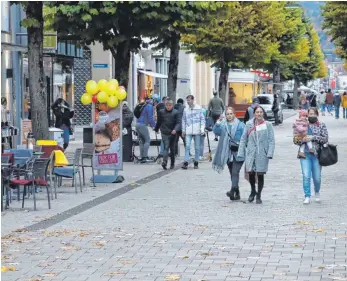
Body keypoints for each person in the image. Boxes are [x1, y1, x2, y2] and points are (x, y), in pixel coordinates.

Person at [237, 106, 275, 204]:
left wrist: (270, 152)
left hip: (262, 153)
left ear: (263, 113)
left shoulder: (268, 125)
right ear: (254, 113)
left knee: (260, 174)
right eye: (257, 112)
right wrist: (241, 152)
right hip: (251, 153)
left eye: (260, 112)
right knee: (251, 173)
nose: (259, 114)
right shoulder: (249, 124)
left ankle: (259, 194)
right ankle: (253, 190)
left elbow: (271, 140)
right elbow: (243, 139)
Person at [293, 107, 328, 204]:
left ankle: (317, 192)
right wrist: (302, 139)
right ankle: (307, 196)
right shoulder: (303, 124)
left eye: (313, 114)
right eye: (310, 114)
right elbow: (295, 140)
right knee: (306, 176)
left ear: (317, 114)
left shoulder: (321, 125)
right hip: (305, 155)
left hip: (317, 155)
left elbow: (325, 139)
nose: (311, 116)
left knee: (317, 177)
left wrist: (313, 137)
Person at [212, 107, 245, 201]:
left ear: (234, 114)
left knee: (235, 172)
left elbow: (245, 137)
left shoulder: (240, 125)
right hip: (227, 152)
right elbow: (216, 132)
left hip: (239, 152)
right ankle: (237, 193)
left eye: (231, 114)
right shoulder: (223, 125)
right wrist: (217, 123)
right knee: (232, 173)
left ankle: (232, 191)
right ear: (225, 115)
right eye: (227, 114)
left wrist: (240, 144)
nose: (229, 116)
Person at [155, 99, 181, 170]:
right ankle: (165, 162)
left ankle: (172, 163)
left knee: (172, 148)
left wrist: (175, 129)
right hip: (164, 132)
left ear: (172, 105)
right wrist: (156, 129)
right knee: (166, 147)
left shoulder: (176, 112)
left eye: (170, 105)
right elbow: (159, 122)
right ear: (165, 105)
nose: (168, 107)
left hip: (173, 132)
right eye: (167, 105)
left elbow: (179, 122)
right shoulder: (161, 112)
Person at [181, 95, 205, 170]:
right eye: (187, 100)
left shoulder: (198, 108)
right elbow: (183, 120)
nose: (188, 102)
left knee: (197, 147)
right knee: (187, 146)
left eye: (189, 100)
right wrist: (183, 130)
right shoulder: (185, 109)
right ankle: (186, 162)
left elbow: (202, 120)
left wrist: (202, 129)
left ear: (193, 100)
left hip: (197, 131)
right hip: (188, 131)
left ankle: (196, 161)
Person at [135, 97, 156, 163]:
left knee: (142, 141)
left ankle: (142, 156)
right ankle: (145, 157)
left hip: (137, 124)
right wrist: (154, 126)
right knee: (147, 140)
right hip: (142, 125)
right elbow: (150, 118)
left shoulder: (144, 105)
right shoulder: (149, 106)